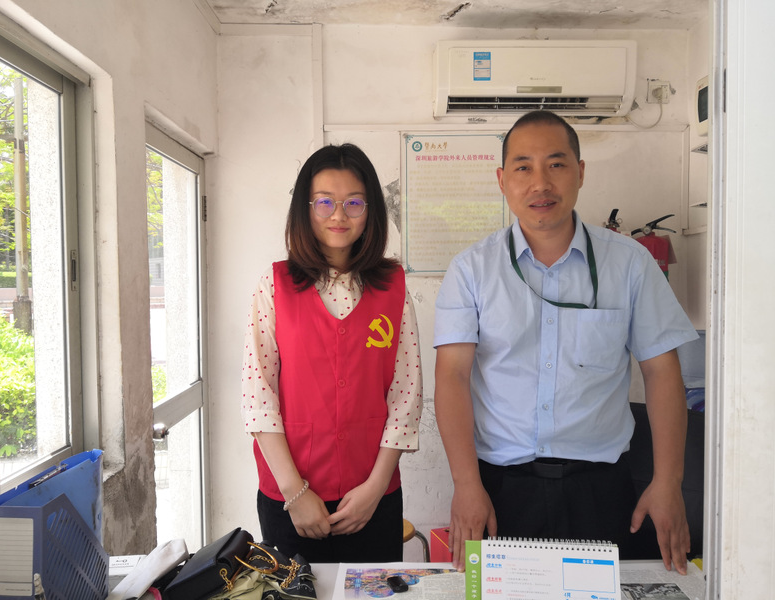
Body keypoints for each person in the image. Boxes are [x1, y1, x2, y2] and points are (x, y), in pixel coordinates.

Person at [433, 110, 698, 575]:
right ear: (502, 180)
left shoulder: (629, 264)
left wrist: (667, 482)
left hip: (601, 489)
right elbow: (452, 377)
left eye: (556, 164)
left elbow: (662, 372)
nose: (541, 183)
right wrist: (466, 484)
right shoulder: (472, 270)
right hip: (500, 489)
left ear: (580, 172)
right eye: (523, 167)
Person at [242, 143, 422, 563]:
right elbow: (258, 397)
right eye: (324, 202)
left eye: (354, 202)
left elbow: (406, 396)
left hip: (372, 497)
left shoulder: (393, 287)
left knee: (374, 591)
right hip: (290, 499)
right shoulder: (274, 286)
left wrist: (375, 489)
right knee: (298, 590)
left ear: (371, 210)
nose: (339, 215)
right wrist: (295, 493)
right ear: (305, 209)